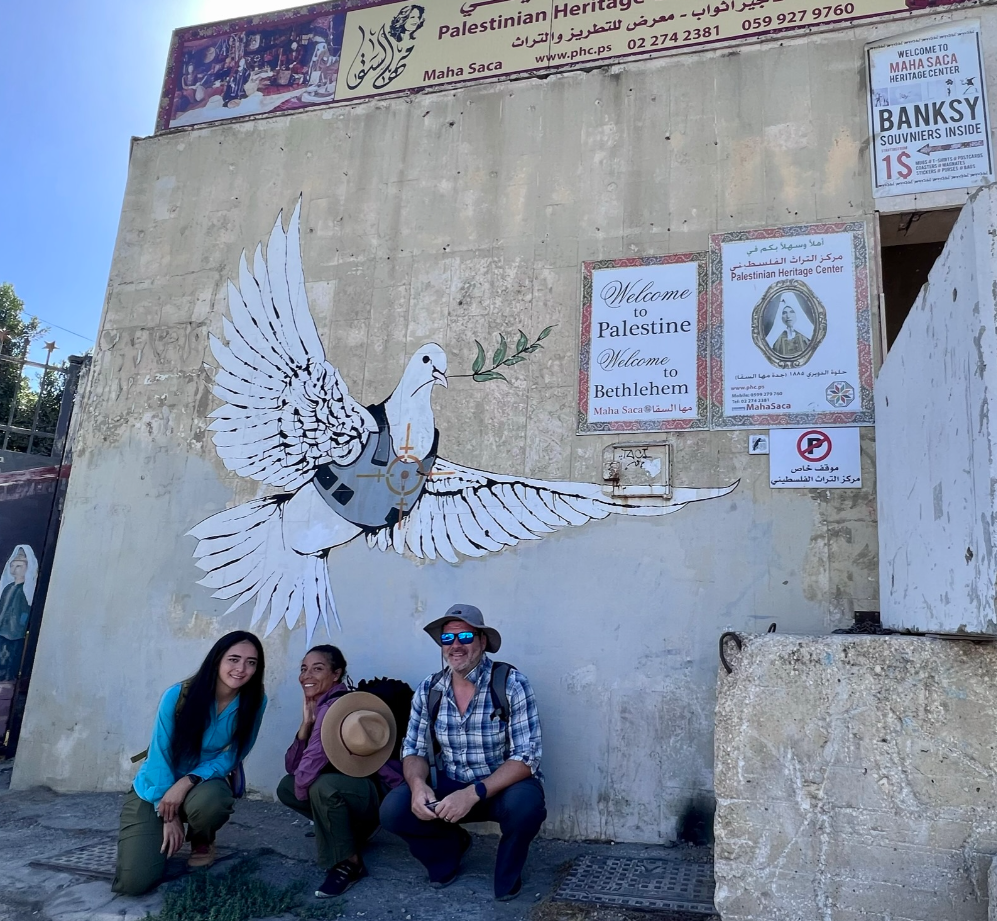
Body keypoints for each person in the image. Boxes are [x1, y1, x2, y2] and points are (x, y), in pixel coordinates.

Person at [380, 604, 546, 901]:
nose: (456, 646)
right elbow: (413, 750)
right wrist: (418, 787)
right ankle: (447, 852)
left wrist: (472, 794)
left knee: (527, 804)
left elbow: (526, 757)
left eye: (465, 636)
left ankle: (508, 876)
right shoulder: (429, 689)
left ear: (482, 641)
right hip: (451, 782)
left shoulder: (510, 683)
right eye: (448, 639)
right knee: (395, 809)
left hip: (500, 787)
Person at [112, 631, 267, 895]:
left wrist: (189, 780)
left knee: (212, 802)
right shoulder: (178, 695)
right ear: (217, 659)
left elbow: (235, 753)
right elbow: (160, 754)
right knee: (134, 883)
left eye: (251, 662)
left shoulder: (254, 701)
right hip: (154, 788)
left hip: (201, 785)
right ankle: (156, 833)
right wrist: (166, 813)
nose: (242, 669)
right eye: (234, 659)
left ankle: (202, 837)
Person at [277, 645, 403, 898]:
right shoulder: (320, 706)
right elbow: (292, 768)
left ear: (337, 674)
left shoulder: (334, 709)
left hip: (377, 793)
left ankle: (350, 863)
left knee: (320, 787)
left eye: (317, 668)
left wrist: (310, 797)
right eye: (303, 669)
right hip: (357, 790)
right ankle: (351, 832)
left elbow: (308, 765)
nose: (306, 675)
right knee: (286, 786)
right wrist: (305, 725)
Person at [0, 545, 37, 682]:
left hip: (14, 634)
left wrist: (20, 627)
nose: (14, 569)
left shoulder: (26, 590)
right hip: (2, 630)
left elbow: (25, 612)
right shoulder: (8, 588)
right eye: (13, 565)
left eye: (19, 566)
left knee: (9, 665)